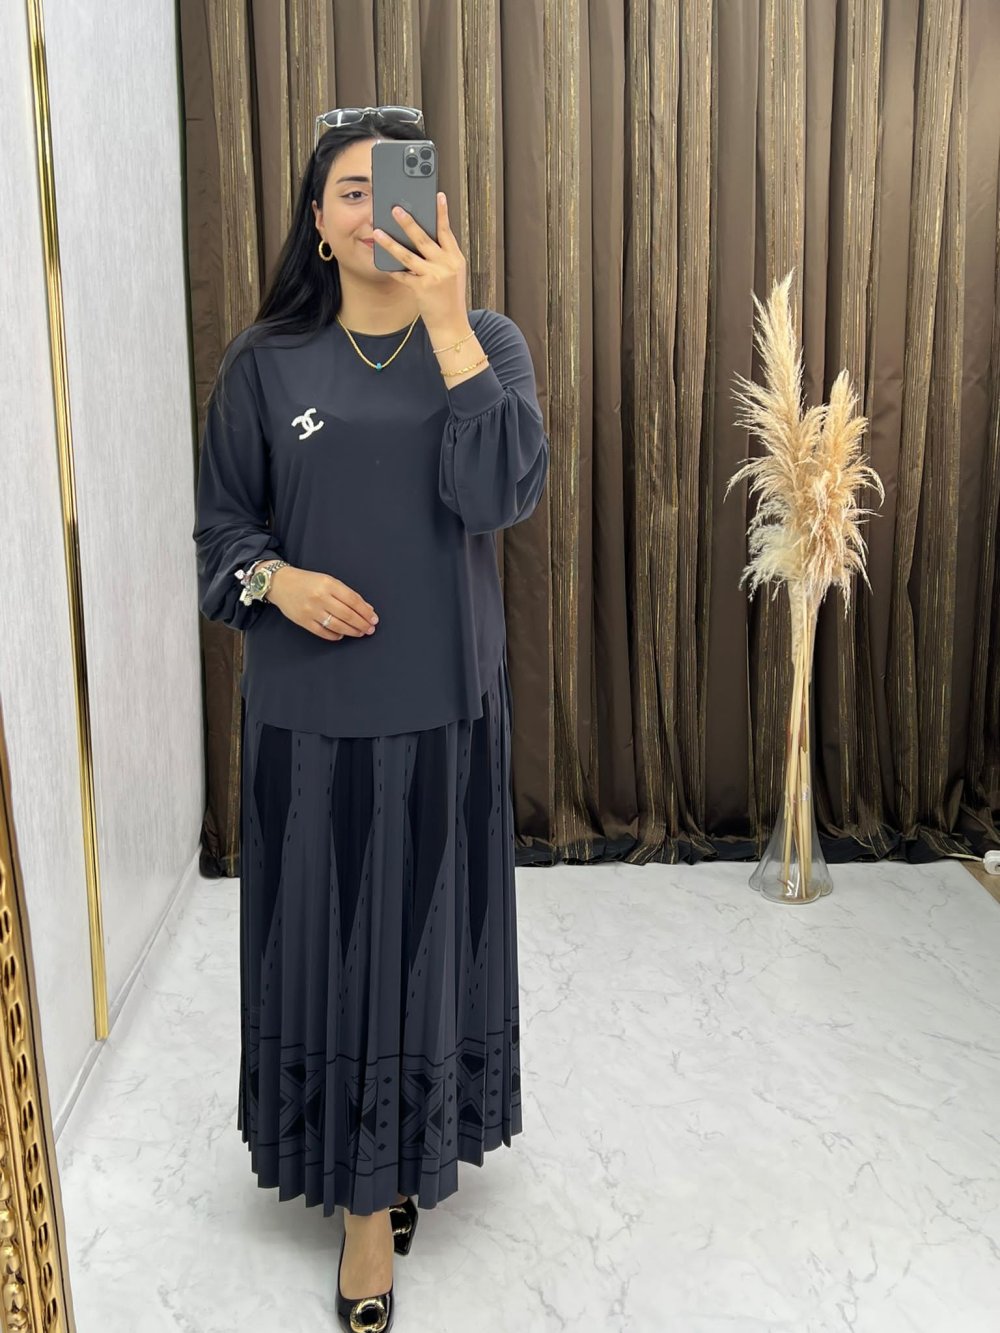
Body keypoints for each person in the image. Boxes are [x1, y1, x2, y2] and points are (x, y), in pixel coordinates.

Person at [191, 104, 549, 1333]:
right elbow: (222, 527)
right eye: (349, 189)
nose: (371, 208)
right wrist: (275, 579)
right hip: (308, 720)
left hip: (445, 709)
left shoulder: (486, 342)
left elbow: (499, 493)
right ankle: (358, 1210)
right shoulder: (267, 361)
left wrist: (449, 326)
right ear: (317, 222)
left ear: (433, 208)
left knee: (424, 949)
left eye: (391, 186)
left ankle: (401, 1154)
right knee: (332, 950)